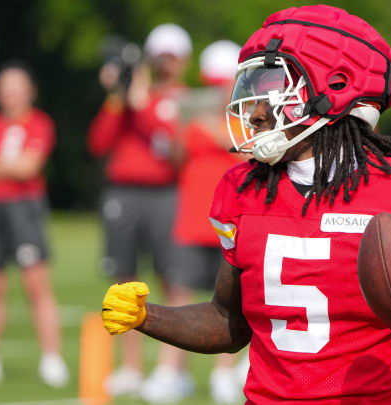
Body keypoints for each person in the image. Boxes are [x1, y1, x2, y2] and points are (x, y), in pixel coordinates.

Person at [99, 5, 391, 404]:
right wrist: (147, 317)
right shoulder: (244, 190)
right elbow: (228, 320)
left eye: (274, 88)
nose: (255, 109)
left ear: (336, 91)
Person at [87, 23, 192, 401]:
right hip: (124, 195)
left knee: (172, 280)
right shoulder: (129, 99)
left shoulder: (181, 98)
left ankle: (171, 368)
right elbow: (98, 142)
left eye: (172, 57)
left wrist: (139, 101)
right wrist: (118, 96)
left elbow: (169, 142)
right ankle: (131, 367)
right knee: (124, 282)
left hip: (165, 194)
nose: (165, 64)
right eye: (159, 57)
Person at [0, 61, 69, 387]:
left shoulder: (39, 123)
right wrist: (7, 165)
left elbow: (29, 168)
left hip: (25, 209)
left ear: (30, 90)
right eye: (5, 85)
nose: (10, 92)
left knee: (36, 284)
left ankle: (52, 357)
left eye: (17, 85)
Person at [168, 40, 249, 404]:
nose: (221, 90)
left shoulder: (248, 121)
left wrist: (212, 128)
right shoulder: (193, 117)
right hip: (192, 217)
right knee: (180, 294)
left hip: (231, 220)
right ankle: (174, 372)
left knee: (231, 301)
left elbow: (241, 147)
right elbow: (175, 156)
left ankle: (223, 374)